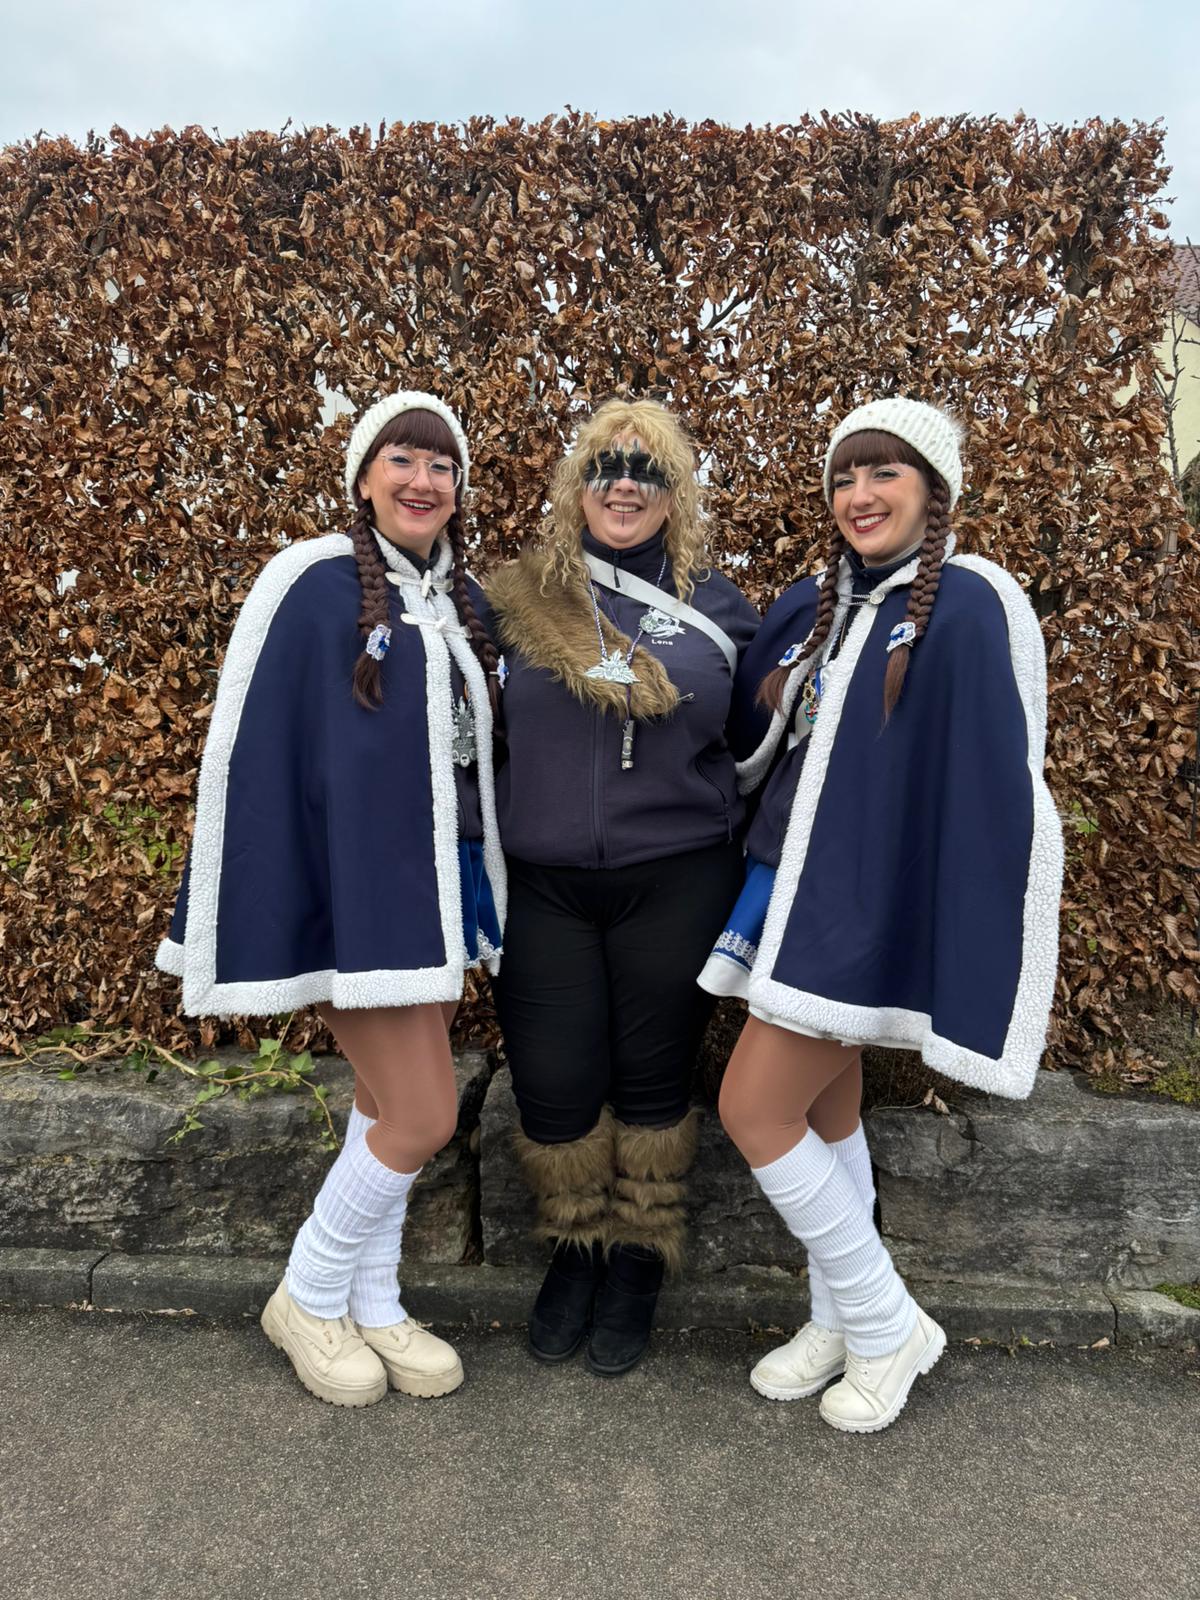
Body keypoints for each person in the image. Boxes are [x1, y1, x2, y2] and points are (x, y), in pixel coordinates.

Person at [700, 397, 1063, 1433]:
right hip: (794, 888)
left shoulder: (970, 601)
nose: (859, 495)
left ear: (934, 490)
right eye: (844, 477)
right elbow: (766, 744)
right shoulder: (826, 603)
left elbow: (985, 779)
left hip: (864, 903)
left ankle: (884, 1318)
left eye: (884, 473)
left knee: (753, 1110)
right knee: (826, 1113)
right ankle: (838, 1318)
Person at [156, 390, 505, 1407]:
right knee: (425, 1114)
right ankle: (308, 1294)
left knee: (385, 1101)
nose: (423, 480)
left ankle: (374, 1298)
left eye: (442, 465)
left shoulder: (463, 602)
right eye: (403, 458)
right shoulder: (309, 582)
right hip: (358, 899)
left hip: (433, 894)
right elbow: (263, 755)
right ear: (363, 477)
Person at [485, 398, 760, 1375]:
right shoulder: (513, 600)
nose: (625, 485)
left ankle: (639, 1254)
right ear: (578, 486)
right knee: (555, 1080)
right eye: (606, 466)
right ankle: (575, 1248)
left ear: (676, 493)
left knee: (653, 1078)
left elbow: (758, 748)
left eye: (648, 470)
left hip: (677, 879)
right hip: (544, 884)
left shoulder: (723, 610)